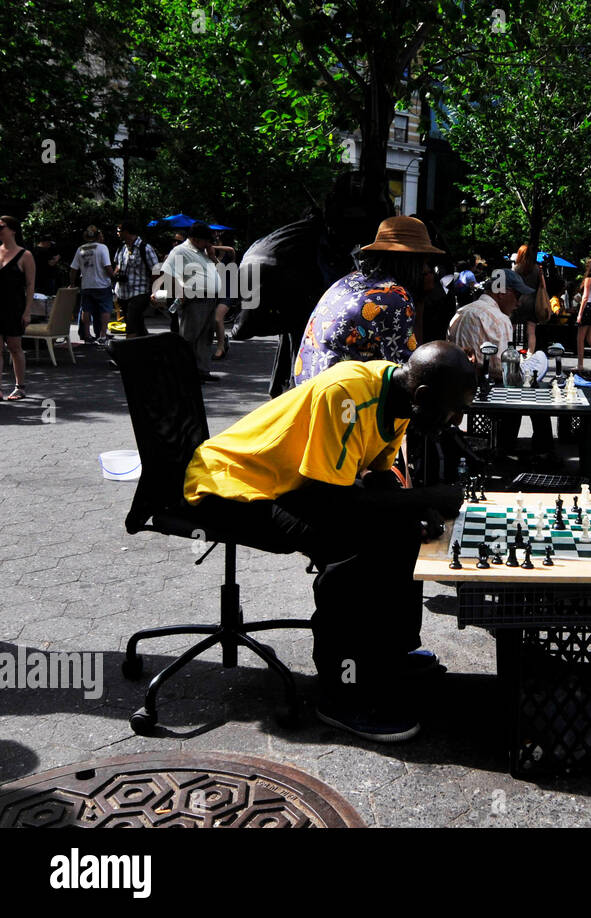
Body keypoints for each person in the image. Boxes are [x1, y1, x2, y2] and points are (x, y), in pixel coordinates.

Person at [183, 341, 474, 741]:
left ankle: (393, 655)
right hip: (234, 485)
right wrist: (427, 497)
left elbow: (376, 474)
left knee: (402, 527)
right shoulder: (347, 395)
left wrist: (415, 507)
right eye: (450, 411)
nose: (451, 422)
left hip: (291, 483)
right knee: (352, 548)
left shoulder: (401, 398)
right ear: (423, 395)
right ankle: (341, 695)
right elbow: (334, 501)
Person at [294, 217, 435, 385]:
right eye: (425, 263)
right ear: (411, 262)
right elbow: (411, 371)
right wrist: (420, 300)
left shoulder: (348, 280)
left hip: (307, 385)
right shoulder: (395, 296)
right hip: (338, 397)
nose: (428, 270)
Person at [446, 268, 555, 457]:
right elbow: (505, 372)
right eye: (517, 294)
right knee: (536, 380)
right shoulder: (499, 319)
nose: (519, 302)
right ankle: (537, 449)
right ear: (501, 292)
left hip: (458, 385)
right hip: (489, 387)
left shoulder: (460, 312)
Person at [157, 223, 223, 379]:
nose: (208, 244)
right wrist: (177, 292)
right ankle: (185, 371)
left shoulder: (204, 253)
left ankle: (201, 370)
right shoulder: (180, 251)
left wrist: (213, 257)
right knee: (189, 337)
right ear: (194, 239)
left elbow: (220, 271)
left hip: (210, 299)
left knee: (205, 337)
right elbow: (167, 272)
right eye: (206, 241)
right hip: (195, 299)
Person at [0, 215, 36, 401]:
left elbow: (30, 285)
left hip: (14, 306)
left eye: (1, 227)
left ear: (12, 230)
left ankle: (19, 386)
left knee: (14, 347)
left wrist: (27, 310)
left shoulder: (25, 255)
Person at [113, 221, 161, 339]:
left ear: (126, 232)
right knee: (136, 323)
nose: (117, 234)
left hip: (139, 292)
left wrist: (154, 291)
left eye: (119, 231)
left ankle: (130, 354)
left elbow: (156, 270)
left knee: (131, 325)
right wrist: (116, 274)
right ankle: (146, 348)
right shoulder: (121, 248)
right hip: (123, 293)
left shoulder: (145, 248)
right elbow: (117, 266)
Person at [70, 226, 114, 346]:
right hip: (102, 284)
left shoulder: (80, 249)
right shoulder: (102, 248)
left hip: (86, 285)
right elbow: (107, 266)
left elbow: (73, 268)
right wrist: (114, 277)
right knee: (105, 309)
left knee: (86, 309)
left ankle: (87, 335)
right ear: (98, 236)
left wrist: (73, 283)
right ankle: (102, 335)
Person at [515, 244, 547, 353]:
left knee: (512, 328)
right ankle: (530, 353)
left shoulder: (516, 268)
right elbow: (543, 286)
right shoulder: (537, 268)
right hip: (532, 301)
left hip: (518, 300)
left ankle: (510, 351)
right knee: (531, 330)